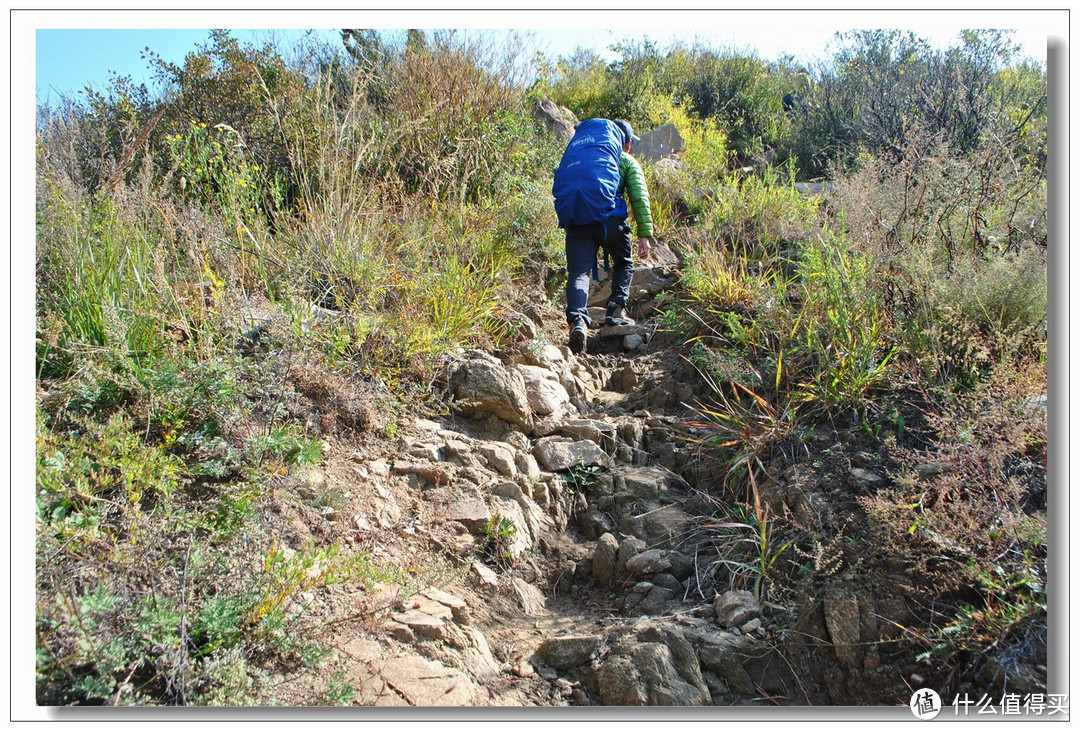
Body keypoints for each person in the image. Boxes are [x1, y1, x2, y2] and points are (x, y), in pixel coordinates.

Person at [552, 118, 655, 354]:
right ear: (626, 143)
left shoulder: (585, 156)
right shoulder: (626, 161)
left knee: (579, 272)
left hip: (577, 220)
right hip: (609, 223)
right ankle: (616, 310)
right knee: (624, 264)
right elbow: (639, 197)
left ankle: (578, 321)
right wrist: (644, 235)